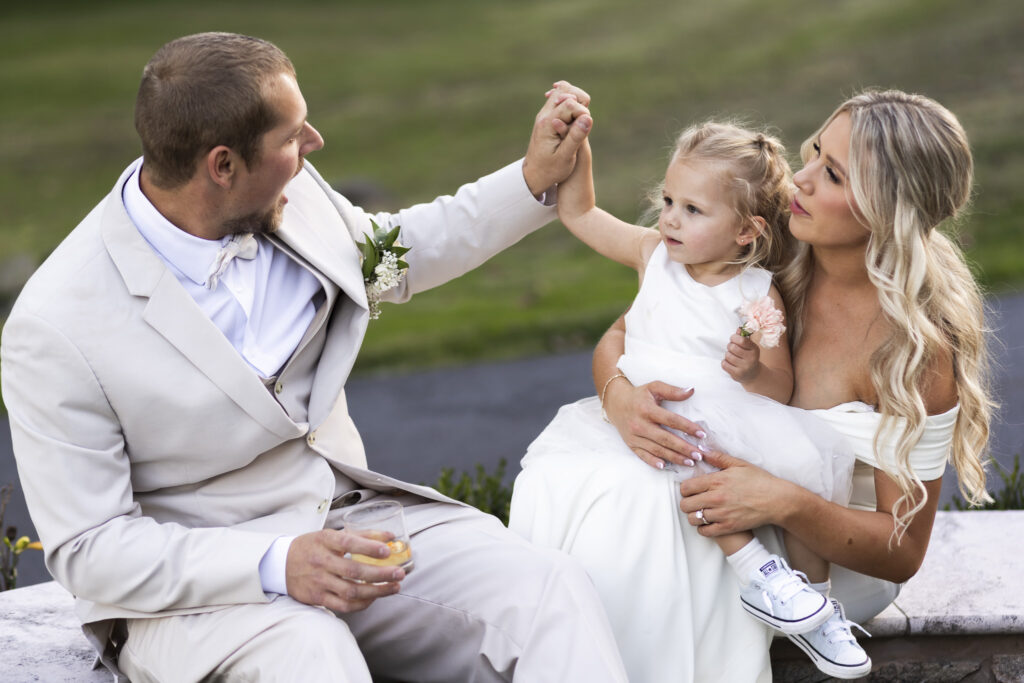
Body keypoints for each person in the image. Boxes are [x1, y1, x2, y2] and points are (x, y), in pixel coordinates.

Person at [0, 33, 631, 682]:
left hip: (351, 525)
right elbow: (91, 549)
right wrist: (278, 562)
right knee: (310, 655)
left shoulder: (290, 191)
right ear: (222, 165)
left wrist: (532, 180)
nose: (315, 143)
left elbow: (393, 254)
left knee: (546, 588)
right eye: (292, 136)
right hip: (194, 597)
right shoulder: (56, 326)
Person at [540, 89, 992, 682]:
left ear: (888, 208)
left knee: (639, 525)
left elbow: (902, 550)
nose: (798, 181)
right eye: (812, 154)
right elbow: (621, 340)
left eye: (830, 173)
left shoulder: (914, 353)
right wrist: (621, 402)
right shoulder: (764, 256)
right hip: (716, 509)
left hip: (825, 568)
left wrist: (784, 501)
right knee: (619, 501)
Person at [510, 118, 871, 679]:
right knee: (684, 458)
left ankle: (820, 608)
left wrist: (751, 368)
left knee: (802, 471)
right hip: (657, 411)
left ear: (746, 232)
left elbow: (780, 387)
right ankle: (758, 572)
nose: (669, 218)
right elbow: (580, 213)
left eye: (692, 210)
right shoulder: (653, 253)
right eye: (669, 199)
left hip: (730, 414)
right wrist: (576, 153)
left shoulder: (757, 293)